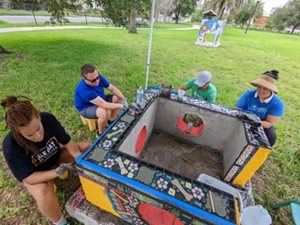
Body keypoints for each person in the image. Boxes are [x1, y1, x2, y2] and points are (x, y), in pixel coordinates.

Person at [1, 96, 90, 225]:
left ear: (38, 116)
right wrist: (56, 172)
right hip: (37, 174)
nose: (37, 136)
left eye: (38, 129)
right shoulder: (10, 145)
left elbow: (67, 141)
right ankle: (60, 222)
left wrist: (77, 157)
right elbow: (28, 178)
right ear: (18, 132)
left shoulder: (48, 119)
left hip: (56, 158)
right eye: (29, 135)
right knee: (43, 192)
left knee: (85, 148)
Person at [74, 64, 127, 135]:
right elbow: (103, 104)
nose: (97, 81)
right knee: (103, 112)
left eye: (97, 77)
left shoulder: (97, 78)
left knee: (118, 98)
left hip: (100, 99)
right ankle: (100, 133)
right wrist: (121, 106)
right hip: (87, 108)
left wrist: (123, 99)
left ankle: (111, 120)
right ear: (84, 79)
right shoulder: (84, 90)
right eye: (93, 80)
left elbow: (112, 88)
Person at [236, 70, 284, 146]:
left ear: (271, 89)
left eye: (265, 89)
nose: (261, 91)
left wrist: (253, 122)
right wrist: (244, 118)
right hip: (244, 118)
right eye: (259, 87)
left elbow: (269, 123)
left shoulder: (277, 103)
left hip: (261, 124)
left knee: (271, 138)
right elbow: (239, 109)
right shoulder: (249, 94)